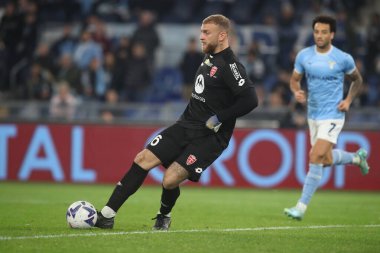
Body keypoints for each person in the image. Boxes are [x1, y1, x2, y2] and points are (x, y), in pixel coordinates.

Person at [94, 14, 258, 230]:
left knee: (170, 179)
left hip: (210, 136)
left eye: (206, 32)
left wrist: (219, 118)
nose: (201, 37)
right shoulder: (208, 56)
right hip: (185, 125)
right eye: (201, 31)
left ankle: (164, 215)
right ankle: (107, 216)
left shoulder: (230, 65)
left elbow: (250, 99)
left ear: (222, 36)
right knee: (143, 158)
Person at [284, 15, 370, 220]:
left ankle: (300, 208)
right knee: (325, 160)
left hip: (333, 115)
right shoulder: (304, 56)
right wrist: (296, 91)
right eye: (316, 32)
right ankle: (357, 158)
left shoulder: (343, 58)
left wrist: (348, 100)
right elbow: (294, 80)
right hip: (313, 115)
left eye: (324, 32)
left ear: (332, 34)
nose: (319, 35)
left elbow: (357, 80)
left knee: (315, 157)